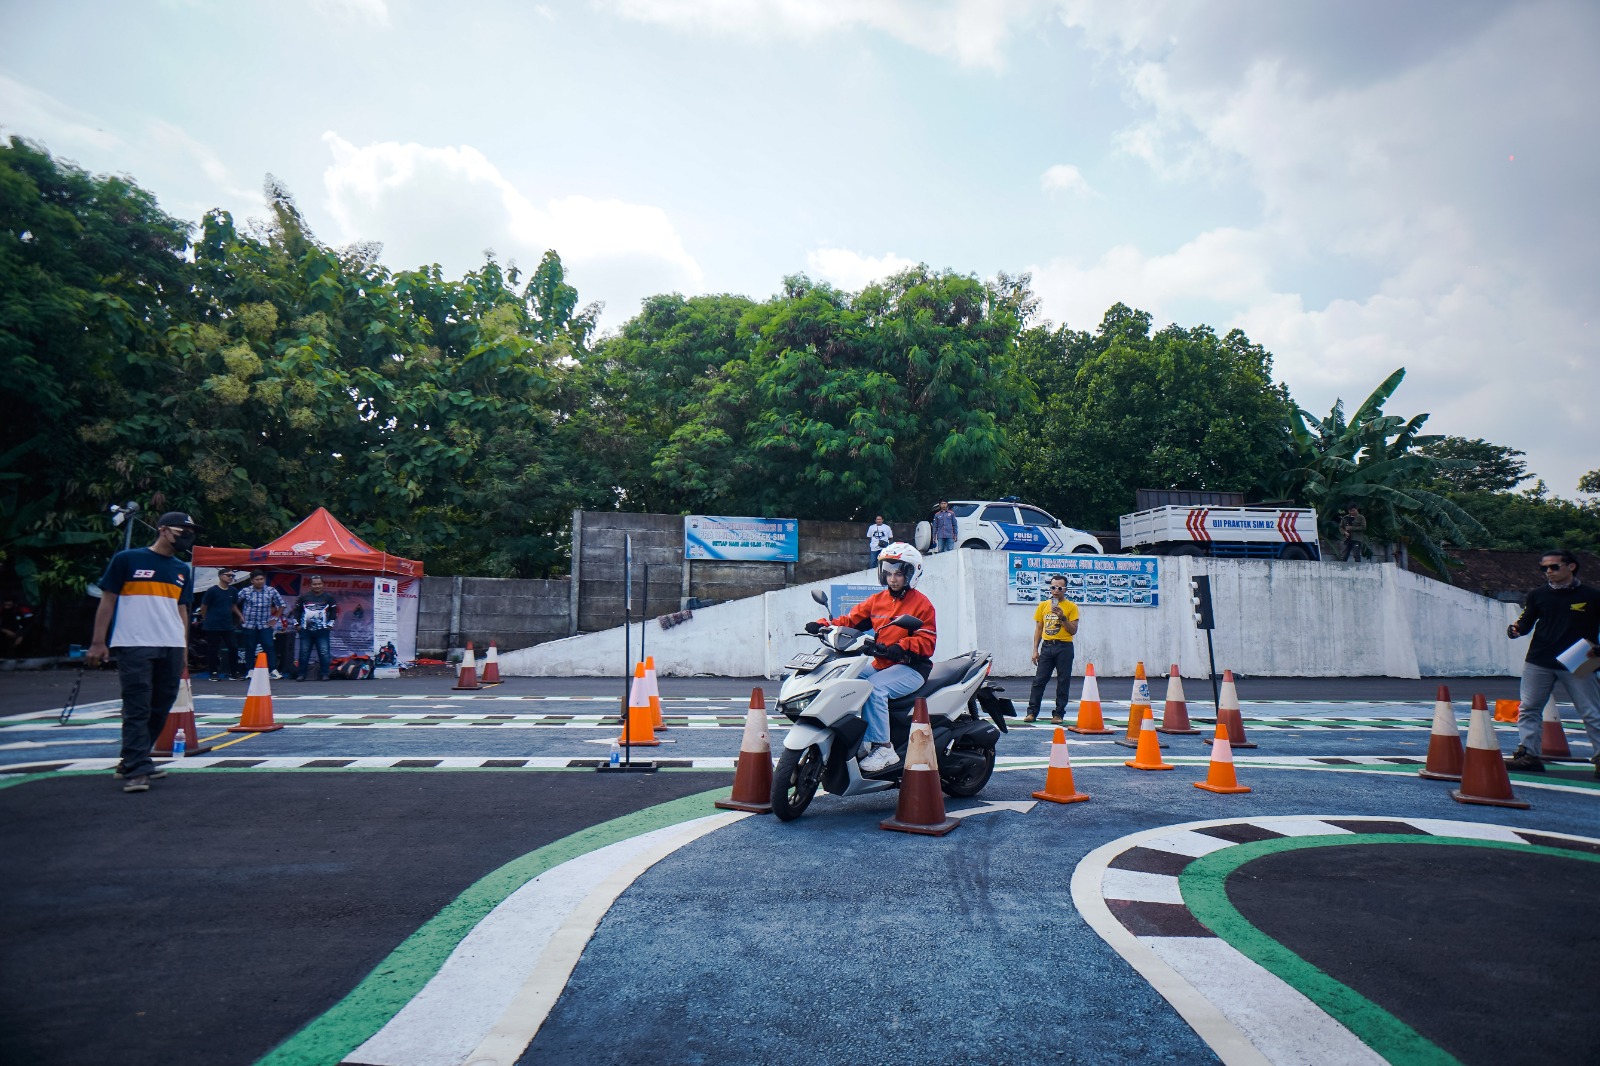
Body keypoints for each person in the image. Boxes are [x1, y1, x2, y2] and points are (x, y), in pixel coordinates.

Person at [85, 511, 198, 793]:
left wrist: (184, 648)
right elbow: (107, 601)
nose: (187, 535)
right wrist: (99, 642)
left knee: (161, 705)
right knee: (138, 706)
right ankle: (138, 768)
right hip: (134, 643)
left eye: (191, 531)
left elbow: (182, 610)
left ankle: (131, 759)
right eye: (181, 530)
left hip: (171, 644)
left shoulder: (182, 569)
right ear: (162, 530)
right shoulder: (127, 560)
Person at [807, 542, 937, 773]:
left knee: (873, 688)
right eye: (888, 573)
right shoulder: (877, 600)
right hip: (882, 664)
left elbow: (928, 643)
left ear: (912, 573)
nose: (893, 578)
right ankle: (860, 740)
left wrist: (902, 646)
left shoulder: (922, 604)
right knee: (845, 680)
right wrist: (823, 625)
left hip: (911, 668)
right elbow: (850, 620)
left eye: (899, 573)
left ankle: (884, 747)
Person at [1504, 549, 1600, 779]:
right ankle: (1529, 755)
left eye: (1554, 567)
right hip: (1540, 658)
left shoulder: (1592, 596)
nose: (1548, 572)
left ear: (1571, 567)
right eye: (1544, 568)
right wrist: (1516, 630)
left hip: (1580, 657)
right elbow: (1526, 622)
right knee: (1529, 707)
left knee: (1592, 711)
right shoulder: (1538, 595)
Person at [1025, 573, 1080, 724]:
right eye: (1053, 587)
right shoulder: (1043, 605)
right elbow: (1038, 628)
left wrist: (1062, 617)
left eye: (1060, 588)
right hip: (1047, 646)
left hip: (1064, 646)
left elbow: (1073, 630)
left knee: (1063, 681)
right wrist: (1035, 650)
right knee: (1039, 680)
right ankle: (1032, 712)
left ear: (1065, 589)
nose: (1056, 590)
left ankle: (1058, 714)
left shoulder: (1071, 607)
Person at [236, 570, 286, 679]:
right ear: (252, 581)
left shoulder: (271, 591)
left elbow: (282, 605)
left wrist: (275, 618)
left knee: (269, 646)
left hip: (265, 624)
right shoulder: (245, 591)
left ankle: (272, 670)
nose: (260, 581)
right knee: (250, 647)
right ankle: (250, 670)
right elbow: (234, 603)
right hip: (249, 624)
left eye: (261, 579)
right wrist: (240, 615)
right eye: (257, 579)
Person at [197, 568, 244, 680]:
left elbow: (233, 605)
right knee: (213, 648)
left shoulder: (233, 591)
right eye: (228, 575)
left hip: (227, 624)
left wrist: (240, 616)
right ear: (220, 576)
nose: (231, 578)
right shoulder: (212, 591)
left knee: (233, 647)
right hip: (213, 624)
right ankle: (213, 672)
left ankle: (234, 672)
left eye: (232, 576)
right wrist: (205, 618)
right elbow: (204, 607)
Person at [292, 575, 340, 681]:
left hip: (322, 630)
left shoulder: (328, 598)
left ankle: (325, 674)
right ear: (311, 585)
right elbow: (296, 611)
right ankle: (301, 675)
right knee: (304, 653)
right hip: (306, 631)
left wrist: (329, 625)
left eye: (319, 584)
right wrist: (297, 625)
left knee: (324, 653)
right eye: (315, 584)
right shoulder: (304, 597)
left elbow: (334, 612)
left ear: (323, 585)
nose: (317, 586)